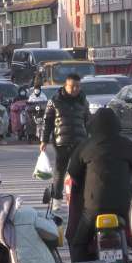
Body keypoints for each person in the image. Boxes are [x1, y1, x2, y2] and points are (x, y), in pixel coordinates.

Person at [66, 107, 132, 262]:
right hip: (123, 205)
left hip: (93, 207)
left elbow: (73, 172)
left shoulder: (86, 146)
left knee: (78, 242)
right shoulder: (126, 144)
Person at [40, 73, 90, 211]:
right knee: (60, 171)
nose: (75, 89)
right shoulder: (55, 100)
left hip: (80, 142)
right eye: (72, 86)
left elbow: (88, 121)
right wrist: (44, 140)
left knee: (80, 171)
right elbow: (47, 122)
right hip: (61, 142)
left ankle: (79, 199)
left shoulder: (83, 101)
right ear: (66, 86)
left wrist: (92, 138)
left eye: (78, 86)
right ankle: (57, 200)